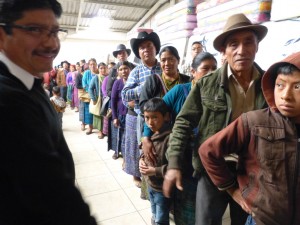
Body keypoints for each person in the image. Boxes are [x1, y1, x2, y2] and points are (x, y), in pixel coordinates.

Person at [163, 13, 268, 225]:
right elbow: (183, 122)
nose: (241, 50)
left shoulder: (268, 84)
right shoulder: (207, 84)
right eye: (233, 44)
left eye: (248, 42)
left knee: (245, 222)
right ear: (224, 51)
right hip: (212, 170)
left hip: (251, 173)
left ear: (257, 46)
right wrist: (173, 163)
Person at [0, 1, 97, 224]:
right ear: (2, 35)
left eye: (54, 32)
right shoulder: (8, 100)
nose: (51, 43)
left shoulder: (29, 81)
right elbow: (53, 197)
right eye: (34, 30)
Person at [199, 51, 300, 225]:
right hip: (262, 219)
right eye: (280, 85)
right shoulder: (255, 121)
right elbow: (208, 151)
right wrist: (233, 191)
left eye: (297, 87)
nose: (286, 95)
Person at [121, 31, 161, 188]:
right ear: (138, 52)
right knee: (144, 150)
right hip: (143, 119)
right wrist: (143, 89)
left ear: (155, 48)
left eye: (149, 46)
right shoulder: (136, 71)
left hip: (164, 119)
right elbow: (125, 94)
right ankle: (147, 187)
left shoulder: (163, 67)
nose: (145, 50)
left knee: (160, 150)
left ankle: (159, 183)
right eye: (142, 47)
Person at [139, 98, 171, 225]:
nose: (150, 122)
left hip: (162, 189)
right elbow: (145, 153)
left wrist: (155, 170)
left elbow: (176, 167)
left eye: (154, 117)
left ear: (166, 117)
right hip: (150, 184)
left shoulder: (170, 139)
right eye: (146, 118)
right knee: (154, 212)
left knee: (161, 219)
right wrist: (141, 159)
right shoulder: (150, 135)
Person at [111, 61, 131, 160]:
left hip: (132, 115)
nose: (124, 71)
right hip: (121, 115)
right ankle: (116, 151)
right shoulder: (117, 83)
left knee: (128, 136)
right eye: (121, 69)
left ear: (130, 69)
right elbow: (113, 101)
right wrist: (115, 117)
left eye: (126, 68)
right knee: (118, 134)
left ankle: (126, 153)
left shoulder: (134, 82)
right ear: (118, 71)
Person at [82, 58, 98, 135]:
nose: (92, 66)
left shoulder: (99, 72)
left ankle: (99, 128)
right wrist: (91, 91)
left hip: (98, 96)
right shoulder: (86, 73)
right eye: (90, 64)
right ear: (88, 65)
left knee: (98, 112)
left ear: (96, 64)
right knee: (89, 112)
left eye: (94, 64)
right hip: (88, 95)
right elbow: (84, 84)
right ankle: (90, 127)